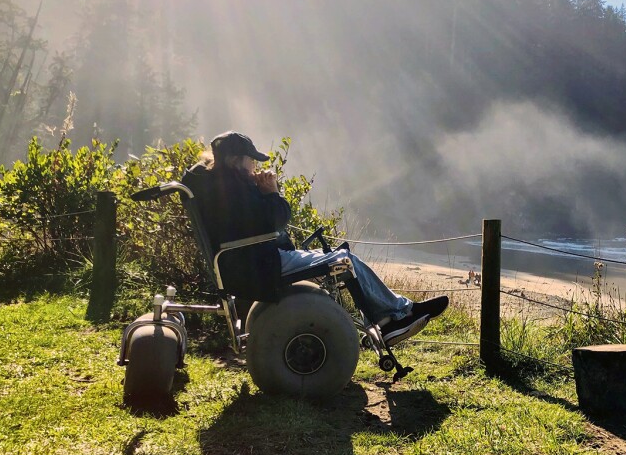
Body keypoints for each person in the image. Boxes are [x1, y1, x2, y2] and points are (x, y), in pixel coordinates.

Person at [183, 130, 448, 346]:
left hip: (247, 261)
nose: (254, 166)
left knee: (340, 256)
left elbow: (241, 217)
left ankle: (395, 316)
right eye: (250, 160)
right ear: (234, 161)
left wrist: (255, 188)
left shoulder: (216, 184)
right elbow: (275, 219)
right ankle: (396, 317)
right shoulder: (234, 190)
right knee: (345, 259)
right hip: (262, 263)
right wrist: (271, 192)